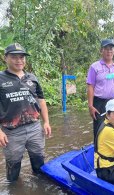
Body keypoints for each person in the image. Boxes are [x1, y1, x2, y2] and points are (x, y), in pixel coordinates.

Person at [0, 43, 51, 182]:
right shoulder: (1, 78)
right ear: (6, 58)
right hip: (11, 132)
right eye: (14, 57)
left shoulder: (32, 78)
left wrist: (46, 122)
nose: (19, 60)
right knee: (13, 169)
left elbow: (41, 100)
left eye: (22, 57)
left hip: (35, 128)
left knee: (39, 165)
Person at [86, 39, 114, 140]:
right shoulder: (94, 67)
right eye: (106, 49)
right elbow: (90, 86)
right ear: (101, 51)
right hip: (99, 103)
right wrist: (90, 106)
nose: (109, 51)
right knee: (99, 130)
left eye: (111, 49)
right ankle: (98, 154)